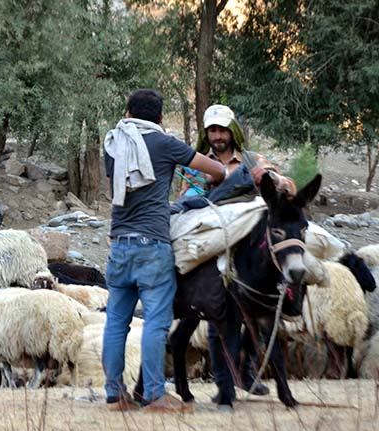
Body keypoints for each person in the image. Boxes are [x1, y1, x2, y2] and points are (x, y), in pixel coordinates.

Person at [101, 89, 228, 412]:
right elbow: (214, 170)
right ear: (159, 117)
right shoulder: (166, 143)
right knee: (156, 322)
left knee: (116, 322)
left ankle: (115, 394)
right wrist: (224, 174)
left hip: (119, 245)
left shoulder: (113, 144)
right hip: (153, 246)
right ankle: (155, 394)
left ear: (128, 113)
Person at [195, 104, 296, 404]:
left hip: (253, 246)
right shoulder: (199, 163)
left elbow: (288, 187)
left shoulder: (253, 159)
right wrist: (210, 184)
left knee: (263, 316)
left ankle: (249, 372)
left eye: (222, 130)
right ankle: (224, 386)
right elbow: (190, 199)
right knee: (218, 321)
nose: (217, 136)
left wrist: (271, 178)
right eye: (212, 131)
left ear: (232, 132)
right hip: (219, 241)